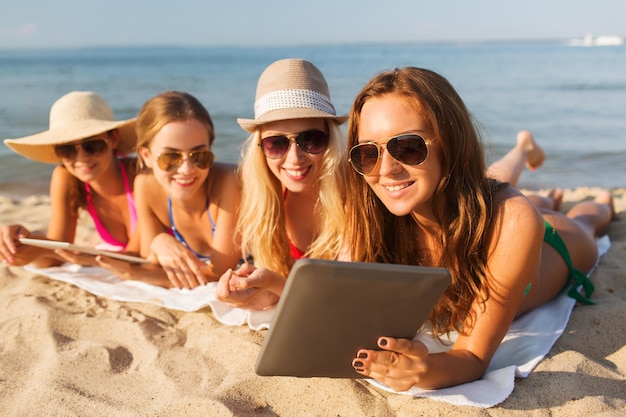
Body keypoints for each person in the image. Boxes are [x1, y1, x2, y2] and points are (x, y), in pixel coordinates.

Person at [344, 67, 616, 391]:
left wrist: (423, 370)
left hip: (553, 243)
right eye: (367, 153)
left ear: (450, 140)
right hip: (485, 211)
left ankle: (602, 201)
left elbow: (473, 357)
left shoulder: (513, 220)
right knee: (490, 188)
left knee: (585, 220)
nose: (385, 168)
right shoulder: (370, 216)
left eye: (408, 147)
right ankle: (525, 150)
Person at [216, 58, 349, 310]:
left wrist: (272, 283)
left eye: (310, 139)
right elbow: (281, 292)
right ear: (261, 148)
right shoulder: (266, 198)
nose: (295, 158)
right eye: (276, 143)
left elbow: (338, 302)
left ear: (330, 140)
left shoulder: (353, 197)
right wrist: (247, 295)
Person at [1, 91, 139, 268]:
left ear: (113, 139)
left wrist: (76, 256)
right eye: (67, 149)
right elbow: (53, 257)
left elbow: (142, 257)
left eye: (92, 145)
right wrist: (23, 243)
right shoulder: (67, 177)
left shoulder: (141, 176)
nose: (81, 158)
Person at [123, 91, 242, 289]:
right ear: (146, 156)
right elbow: (149, 259)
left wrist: (132, 273)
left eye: (199, 155)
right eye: (171, 156)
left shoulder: (230, 181)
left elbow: (220, 275)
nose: (187, 169)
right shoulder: (146, 186)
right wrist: (159, 242)